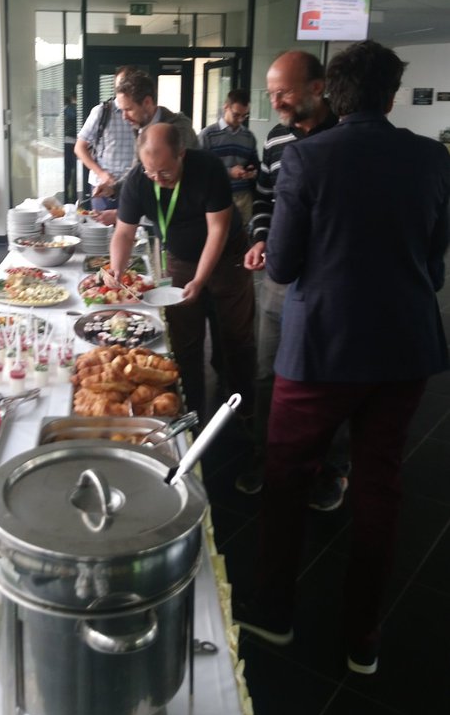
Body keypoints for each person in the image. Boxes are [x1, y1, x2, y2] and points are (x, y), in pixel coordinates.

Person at [235, 40, 450, 675]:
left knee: (287, 475)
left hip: (321, 348)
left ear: (332, 92)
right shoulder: (433, 158)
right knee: (380, 485)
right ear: (392, 96)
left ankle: (274, 612)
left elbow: (283, 264)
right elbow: (435, 261)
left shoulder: (306, 157)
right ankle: (363, 636)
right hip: (404, 348)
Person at [241, 51, 348, 508]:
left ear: (317, 88)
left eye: (283, 92)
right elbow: (264, 199)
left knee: (328, 378)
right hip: (280, 279)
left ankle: (330, 467)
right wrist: (260, 237)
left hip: (330, 284)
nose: (276, 102)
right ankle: (267, 456)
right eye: (271, 94)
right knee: (267, 371)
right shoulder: (276, 139)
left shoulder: (345, 136)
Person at [109, 122, 256, 425]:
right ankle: (192, 413)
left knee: (234, 335)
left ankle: (243, 408)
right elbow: (123, 233)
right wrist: (117, 268)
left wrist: (200, 280)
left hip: (227, 258)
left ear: (181, 155)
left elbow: (218, 230)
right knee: (184, 340)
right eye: (150, 172)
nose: (157, 179)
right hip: (180, 260)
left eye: (165, 172)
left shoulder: (208, 169)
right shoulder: (138, 180)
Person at [74, 66, 138, 211]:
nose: (124, 87)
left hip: (132, 185)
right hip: (104, 188)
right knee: (101, 225)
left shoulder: (141, 113)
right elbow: (79, 147)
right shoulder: (102, 112)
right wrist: (102, 174)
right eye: (121, 83)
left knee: (133, 225)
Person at [199, 89, 259, 228]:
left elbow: (254, 163)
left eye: (244, 116)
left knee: (243, 236)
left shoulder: (249, 136)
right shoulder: (207, 135)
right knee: (218, 234)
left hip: (244, 196)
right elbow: (200, 169)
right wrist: (229, 172)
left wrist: (252, 171)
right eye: (236, 115)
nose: (241, 120)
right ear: (226, 107)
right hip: (217, 196)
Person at [114, 70, 198, 149]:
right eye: (122, 110)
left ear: (147, 102)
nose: (124, 116)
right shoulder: (139, 126)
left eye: (128, 109)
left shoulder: (179, 129)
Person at [63, 95, 77, 202]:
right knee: (72, 167)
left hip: (68, 141)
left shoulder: (67, 111)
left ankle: (67, 191)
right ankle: (71, 191)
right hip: (73, 141)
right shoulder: (73, 110)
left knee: (68, 168)